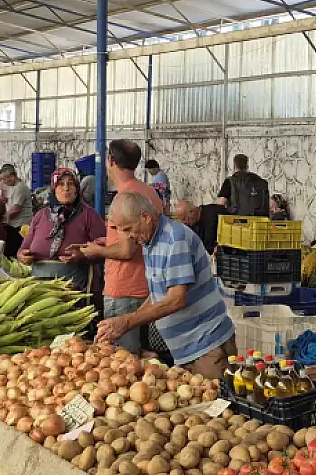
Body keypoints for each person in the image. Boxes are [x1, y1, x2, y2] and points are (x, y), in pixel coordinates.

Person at [97, 191, 237, 379]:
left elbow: (176, 299)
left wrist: (127, 322)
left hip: (207, 346)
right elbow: (159, 294)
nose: (129, 237)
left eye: (129, 229)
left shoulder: (174, 239)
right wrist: (126, 323)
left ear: (145, 217)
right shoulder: (151, 242)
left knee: (215, 402)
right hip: (187, 349)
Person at [73, 140, 163, 354]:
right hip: (147, 287)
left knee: (124, 361)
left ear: (110, 160)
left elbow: (126, 251)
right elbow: (139, 240)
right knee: (143, 359)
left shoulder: (124, 198)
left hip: (125, 290)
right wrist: (110, 241)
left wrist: (98, 251)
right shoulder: (149, 193)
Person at [19, 169, 106, 290]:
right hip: (40, 289)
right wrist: (22, 256)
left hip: (76, 287)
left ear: (77, 188)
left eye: (70, 184)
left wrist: (82, 255)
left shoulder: (89, 215)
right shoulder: (40, 215)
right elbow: (23, 249)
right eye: (60, 184)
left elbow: (105, 250)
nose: (66, 188)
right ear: (53, 188)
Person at [216, 154, 271, 218]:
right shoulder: (261, 181)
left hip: (237, 222)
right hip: (259, 222)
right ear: (247, 166)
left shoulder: (230, 181)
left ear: (234, 166)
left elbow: (221, 204)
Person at [0, 163, 33, 229]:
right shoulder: (15, 187)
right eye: (2, 180)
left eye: (4, 179)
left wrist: (4, 218)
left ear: (12, 177)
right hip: (15, 224)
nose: (4, 182)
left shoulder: (20, 188)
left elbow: (16, 209)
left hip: (21, 224)